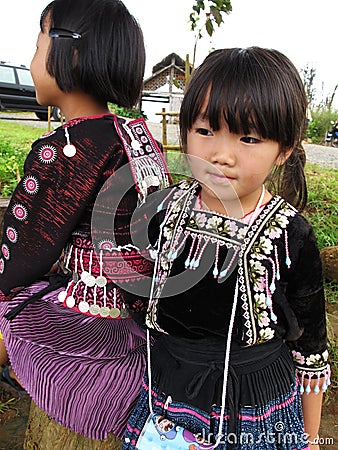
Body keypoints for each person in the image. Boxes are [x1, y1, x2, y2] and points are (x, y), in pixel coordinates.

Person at [122, 47, 330, 450]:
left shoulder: (293, 237)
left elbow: (311, 348)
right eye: (204, 131)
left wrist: (308, 438)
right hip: (164, 393)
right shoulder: (160, 211)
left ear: (284, 149)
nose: (221, 155)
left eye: (249, 138)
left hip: (254, 405)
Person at [0, 0, 170, 448]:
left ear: (67, 53)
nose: (30, 61)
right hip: (145, 310)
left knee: (8, 303)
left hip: (98, 327)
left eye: (36, 45)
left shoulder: (68, 148)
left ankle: (30, 366)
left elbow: (22, 258)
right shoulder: (137, 134)